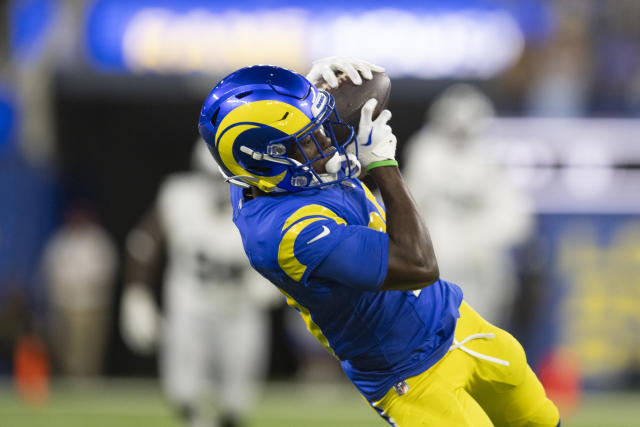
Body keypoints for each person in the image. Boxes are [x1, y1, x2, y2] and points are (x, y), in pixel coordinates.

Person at [197, 57, 560, 426]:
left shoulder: (268, 175)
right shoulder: (288, 234)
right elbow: (418, 266)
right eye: (307, 138)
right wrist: (383, 165)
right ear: (266, 160)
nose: (324, 139)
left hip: (458, 320)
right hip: (410, 375)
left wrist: (303, 95)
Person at [120, 141, 278, 427]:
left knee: (238, 393)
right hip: (190, 302)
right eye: (213, 175)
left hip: (240, 306)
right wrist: (136, 294)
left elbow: (280, 249)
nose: (219, 184)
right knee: (184, 389)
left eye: (226, 176)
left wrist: (274, 281)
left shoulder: (260, 201)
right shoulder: (179, 197)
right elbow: (143, 245)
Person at [403, 84, 533, 327]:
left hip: (477, 261)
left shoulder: (489, 154)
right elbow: (407, 204)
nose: (460, 128)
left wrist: (479, 235)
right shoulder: (425, 152)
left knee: (480, 322)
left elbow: (517, 217)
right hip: (436, 255)